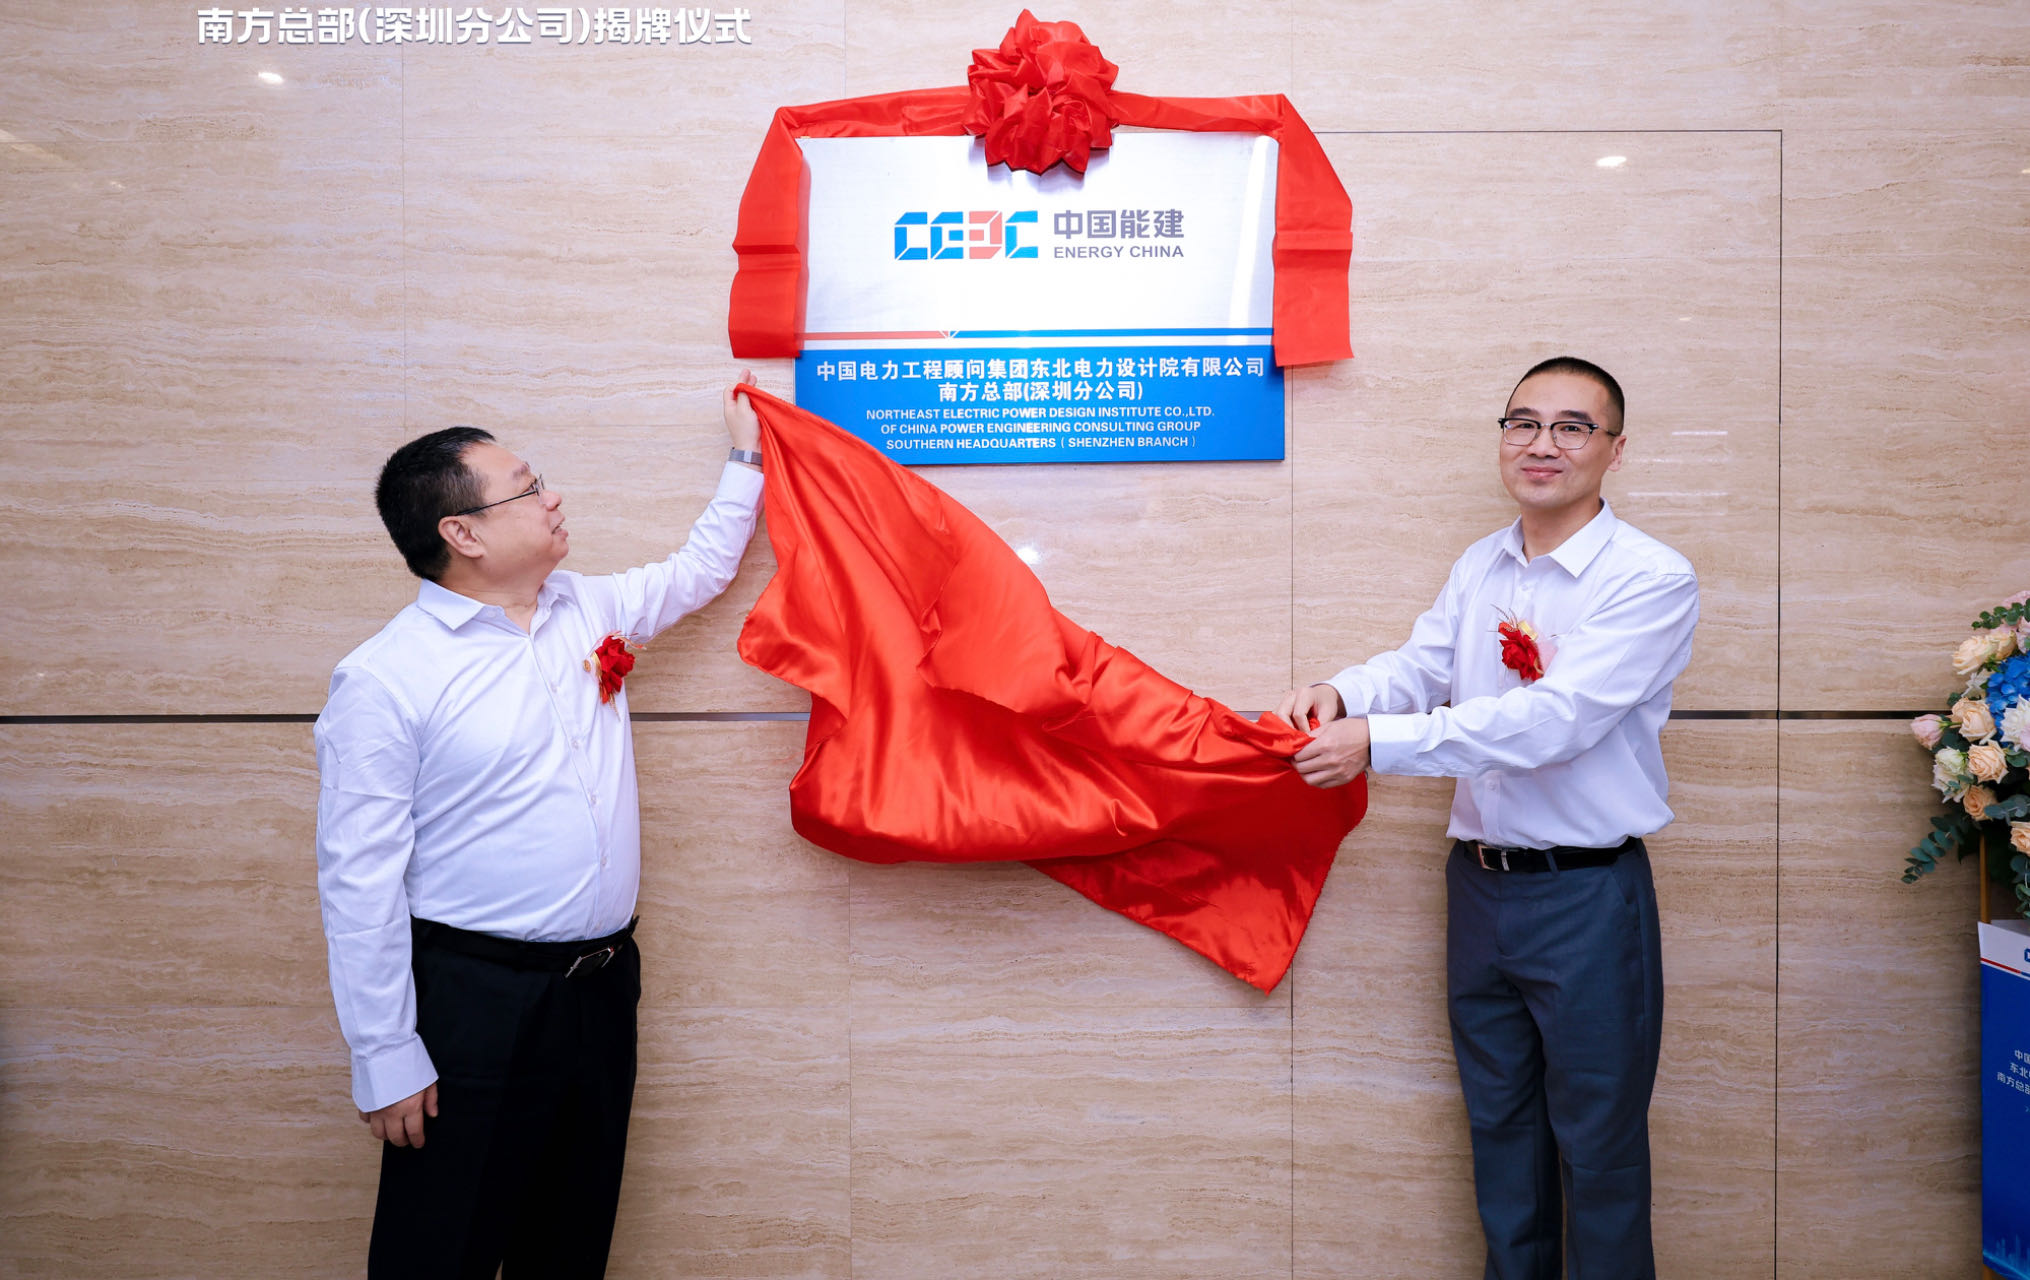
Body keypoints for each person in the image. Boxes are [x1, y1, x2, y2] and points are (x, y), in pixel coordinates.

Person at [314, 375, 768, 1278]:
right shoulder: (385, 678)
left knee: (569, 1243)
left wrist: (748, 455)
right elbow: (358, 881)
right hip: (474, 1003)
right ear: (464, 534)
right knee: (440, 1250)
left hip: (600, 990)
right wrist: (385, 1053)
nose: (553, 497)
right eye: (527, 488)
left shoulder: (585, 609)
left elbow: (700, 569)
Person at [1277, 356, 1699, 1280]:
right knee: (1502, 1141)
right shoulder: (1483, 562)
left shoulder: (1650, 578)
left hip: (1587, 900)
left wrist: (1376, 743)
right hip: (1478, 889)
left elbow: (1556, 721)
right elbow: (1423, 666)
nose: (1543, 444)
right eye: (1523, 423)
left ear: (1616, 449)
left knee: (1599, 1151)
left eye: (1572, 427)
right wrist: (1344, 693)